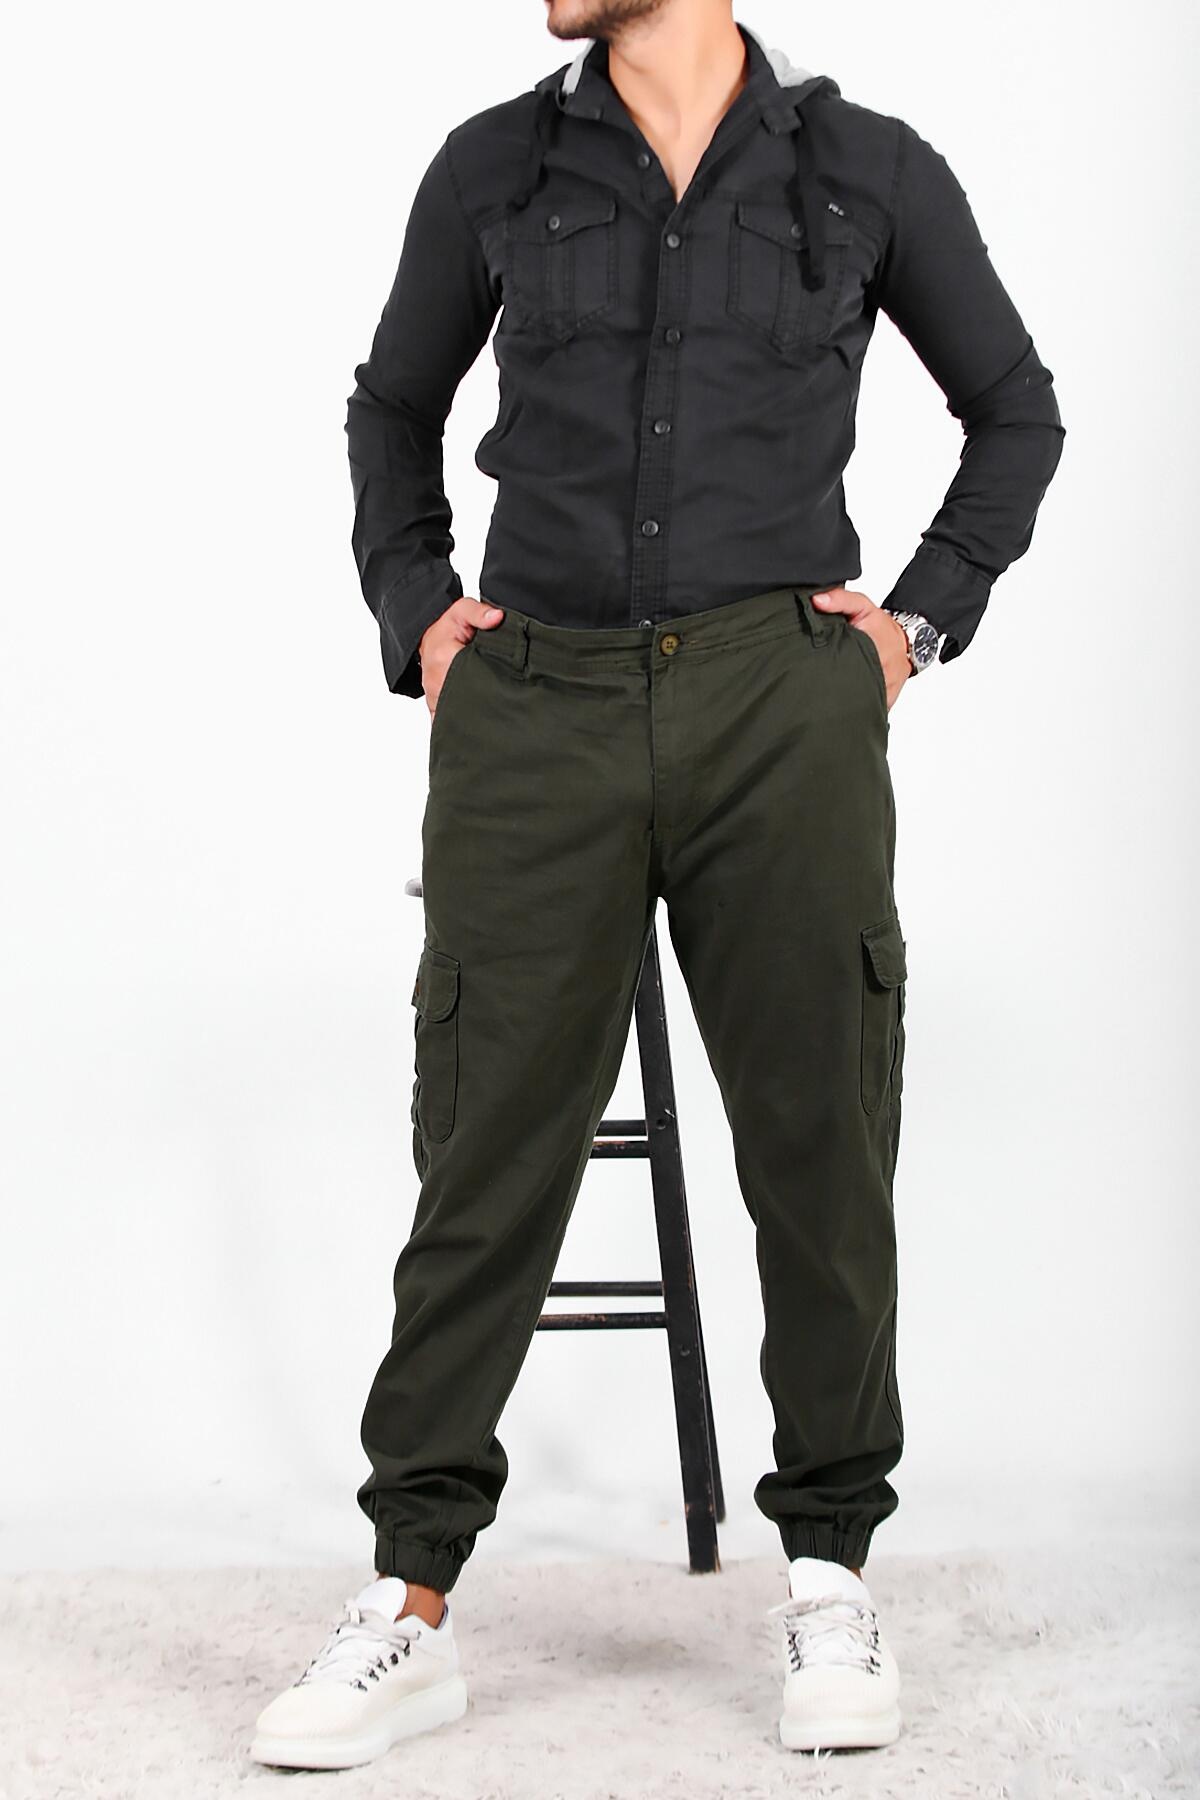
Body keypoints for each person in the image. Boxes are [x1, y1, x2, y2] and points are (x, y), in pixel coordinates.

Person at [250, 0, 1064, 1770]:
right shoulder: (493, 164)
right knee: (482, 1148)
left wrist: (912, 627)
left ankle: (830, 1570)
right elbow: (390, 410)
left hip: (783, 703)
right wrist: (420, 615)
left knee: (821, 1139)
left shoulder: (867, 169)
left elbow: (1016, 412)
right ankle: (409, 1604)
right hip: (533, 705)